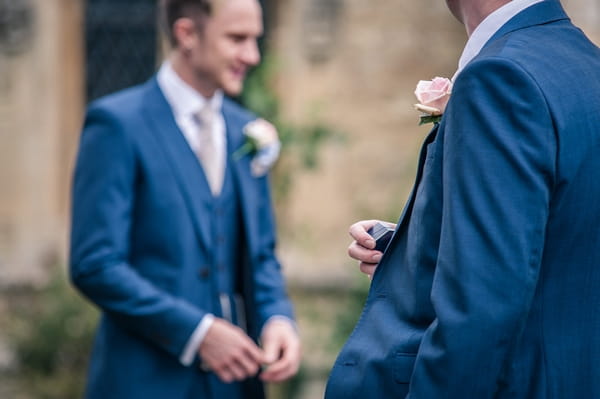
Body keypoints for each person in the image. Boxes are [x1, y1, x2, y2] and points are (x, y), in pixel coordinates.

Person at [325, 0, 600, 398]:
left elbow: (480, 316)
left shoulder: (500, 76)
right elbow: (565, 239)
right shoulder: (587, 65)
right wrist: (416, 248)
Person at [69, 0, 301, 398]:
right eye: (237, 38)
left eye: (255, 39)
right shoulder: (117, 124)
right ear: (187, 34)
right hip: (145, 381)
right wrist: (198, 334)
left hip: (237, 386)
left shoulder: (247, 131)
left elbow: (261, 256)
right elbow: (95, 264)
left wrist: (277, 318)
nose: (253, 55)